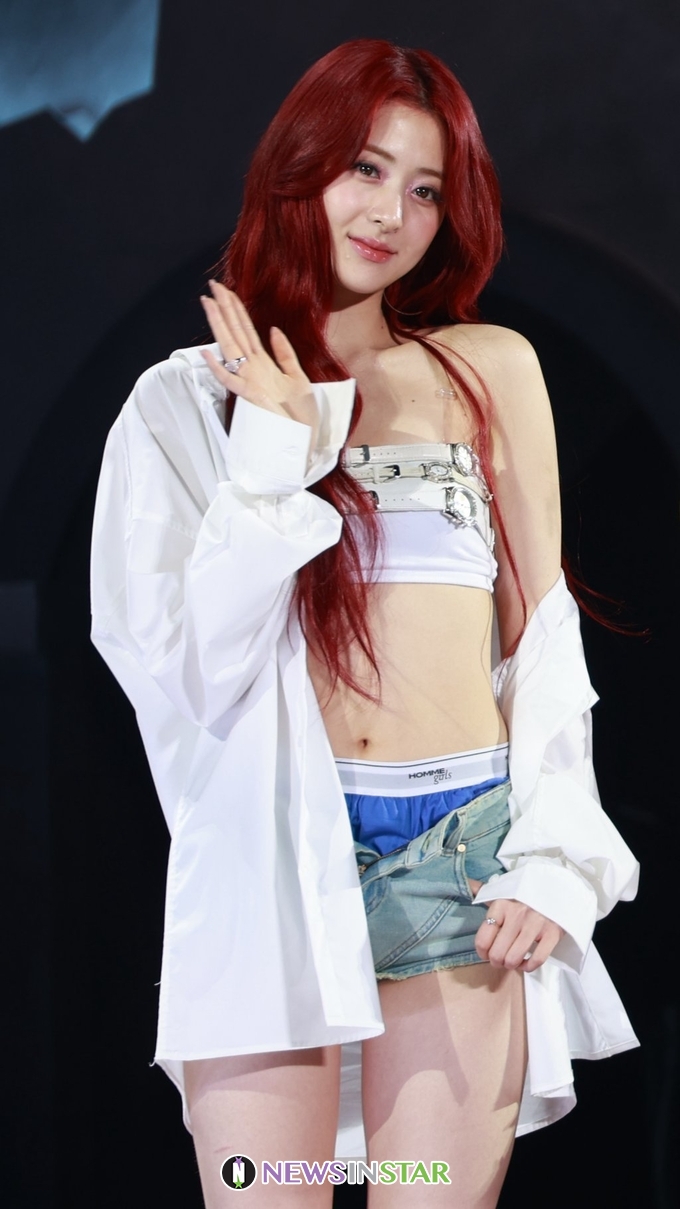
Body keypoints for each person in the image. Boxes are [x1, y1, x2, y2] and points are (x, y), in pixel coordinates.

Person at [90, 39, 640, 1208]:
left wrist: (556, 854)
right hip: (271, 866)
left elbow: (540, 633)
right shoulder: (179, 406)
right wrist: (271, 456)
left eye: (426, 188)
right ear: (300, 166)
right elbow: (184, 670)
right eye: (366, 169)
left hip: (460, 855)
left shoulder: (485, 369)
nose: (393, 213)